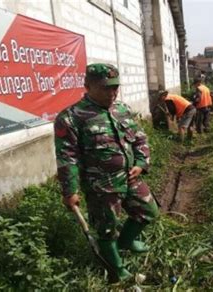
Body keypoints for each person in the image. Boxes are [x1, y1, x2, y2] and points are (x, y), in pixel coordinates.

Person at [54, 63, 159, 283]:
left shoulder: (121, 109)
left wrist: (141, 162)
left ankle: (126, 242)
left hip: (130, 177)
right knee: (106, 229)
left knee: (148, 211)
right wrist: (70, 190)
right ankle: (117, 270)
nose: (112, 93)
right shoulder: (71, 117)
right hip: (101, 186)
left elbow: (140, 138)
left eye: (115, 87)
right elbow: (67, 158)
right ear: (88, 86)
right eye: (105, 88)